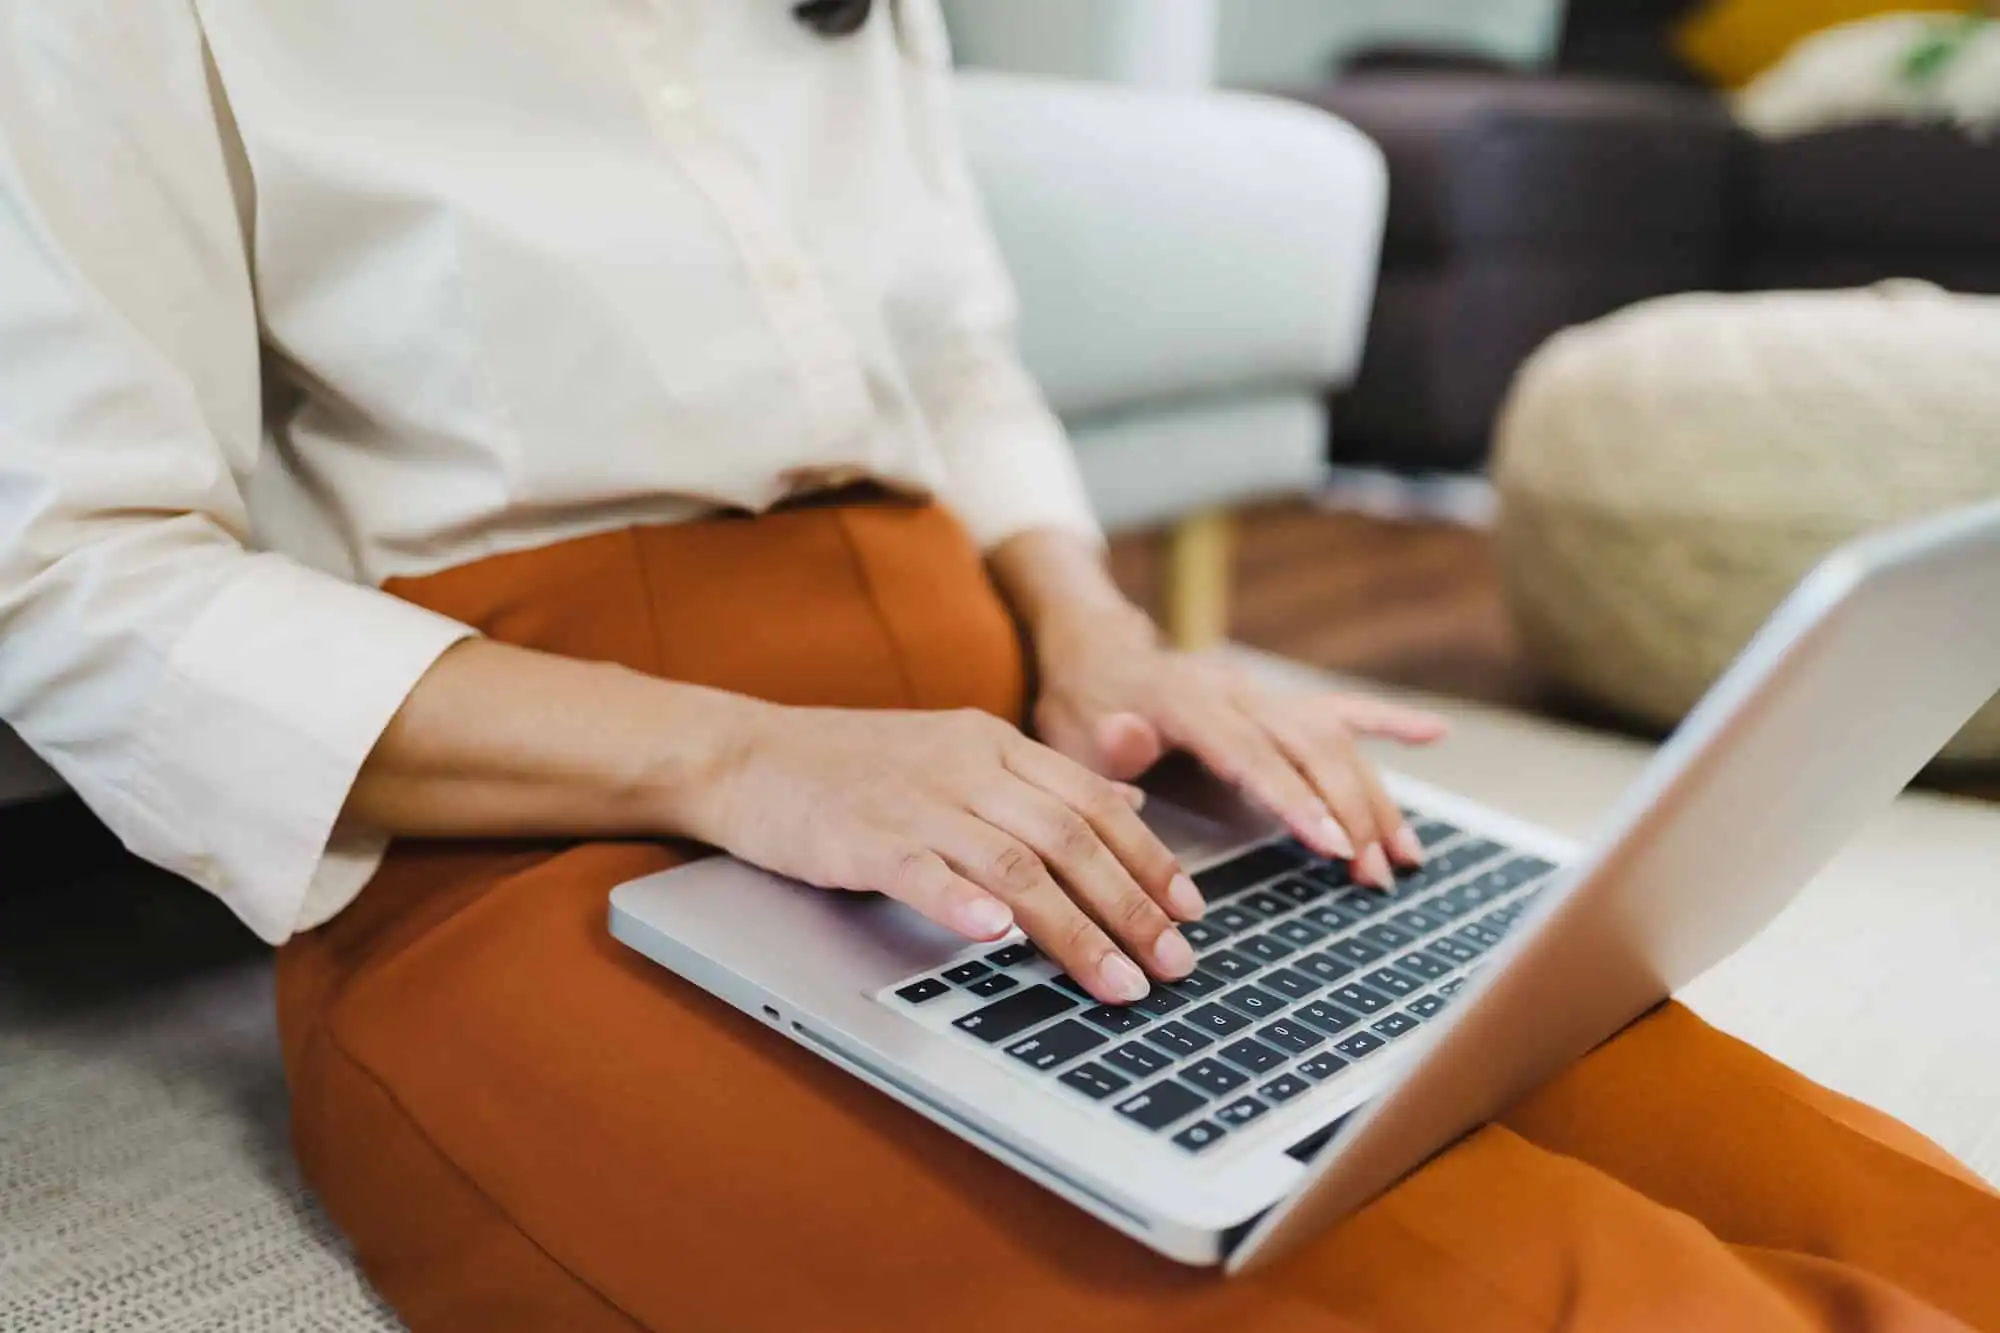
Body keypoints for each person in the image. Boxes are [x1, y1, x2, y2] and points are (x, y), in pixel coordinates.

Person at [0, 2, 1993, 1329]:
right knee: (1508, 1290)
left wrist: (1107, 644)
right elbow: (63, 577)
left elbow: (952, 356)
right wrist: (747, 757)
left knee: (1843, 1192)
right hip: (539, 818)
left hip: (1021, 756)